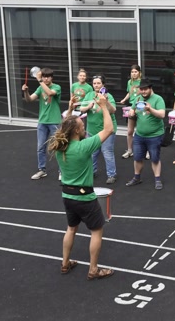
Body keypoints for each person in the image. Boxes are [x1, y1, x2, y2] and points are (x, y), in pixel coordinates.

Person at [49, 94, 114, 280]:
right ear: (76, 130)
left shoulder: (60, 146)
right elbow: (109, 129)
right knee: (97, 231)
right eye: (82, 125)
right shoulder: (83, 146)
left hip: (67, 196)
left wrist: (70, 110)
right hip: (84, 197)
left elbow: (65, 125)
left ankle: (65, 263)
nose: (84, 126)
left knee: (71, 228)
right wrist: (103, 106)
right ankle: (93, 269)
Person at [125, 78, 166, 190]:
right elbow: (132, 110)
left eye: (145, 89)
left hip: (155, 135)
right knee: (137, 158)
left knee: (155, 158)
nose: (143, 91)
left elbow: (162, 114)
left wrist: (150, 109)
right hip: (139, 135)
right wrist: (131, 112)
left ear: (150, 88)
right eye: (141, 89)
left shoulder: (158, 99)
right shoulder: (137, 99)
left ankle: (157, 179)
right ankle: (137, 177)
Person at [22, 67, 62, 180]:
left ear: (52, 78)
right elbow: (29, 100)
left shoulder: (57, 87)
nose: (45, 79)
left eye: (48, 77)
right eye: (44, 77)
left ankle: (62, 171)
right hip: (42, 122)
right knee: (40, 147)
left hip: (54, 121)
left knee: (58, 147)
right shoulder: (40, 88)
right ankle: (42, 170)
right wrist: (25, 92)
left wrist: (39, 80)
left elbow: (50, 93)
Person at [78, 75, 117, 184]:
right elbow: (81, 108)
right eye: (94, 83)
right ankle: (92, 171)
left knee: (107, 153)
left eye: (98, 83)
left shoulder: (108, 96)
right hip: (92, 130)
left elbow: (113, 110)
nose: (96, 85)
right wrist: (88, 107)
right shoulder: (89, 95)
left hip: (107, 131)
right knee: (92, 153)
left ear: (103, 84)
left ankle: (111, 175)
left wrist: (106, 101)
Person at [119, 65, 142, 159]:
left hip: (140, 106)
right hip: (131, 106)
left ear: (139, 73)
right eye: (132, 72)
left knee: (142, 130)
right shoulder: (129, 82)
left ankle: (146, 151)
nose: (134, 73)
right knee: (129, 131)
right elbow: (129, 92)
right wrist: (124, 99)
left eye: (136, 72)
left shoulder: (142, 82)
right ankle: (129, 150)